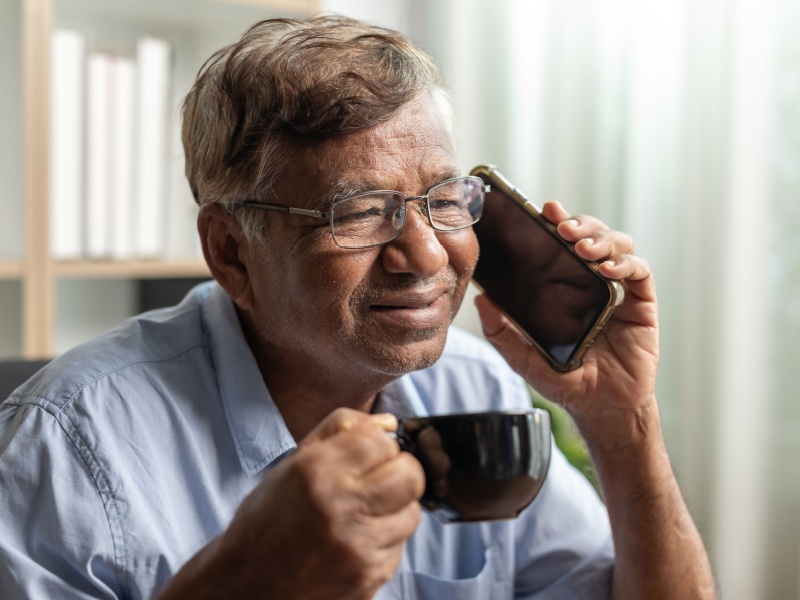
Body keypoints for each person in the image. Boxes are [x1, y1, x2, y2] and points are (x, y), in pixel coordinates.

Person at [0, 15, 715, 599]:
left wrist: (623, 422)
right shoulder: (67, 447)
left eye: (443, 200)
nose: (428, 257)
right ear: (230, 251)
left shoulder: (474, 386)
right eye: (362, 211)